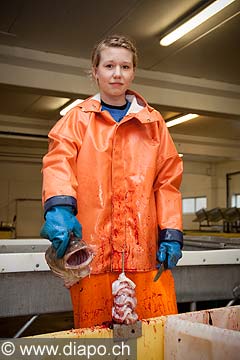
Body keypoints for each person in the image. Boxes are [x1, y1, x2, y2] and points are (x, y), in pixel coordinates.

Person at [40, 34, 183, 328]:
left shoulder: (154, 123)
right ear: (95, 71)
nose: (117, 74)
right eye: (109, 66)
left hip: (146, 255)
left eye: (125, 67)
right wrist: (60, 207)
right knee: (97, 338)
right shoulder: (76, 120)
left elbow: (167, 181)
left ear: (133, 72)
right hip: (91, 255)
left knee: (157, 336)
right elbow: (58, 163)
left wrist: (171, 233)